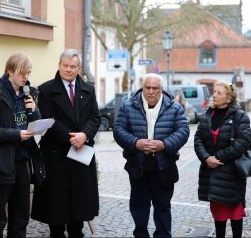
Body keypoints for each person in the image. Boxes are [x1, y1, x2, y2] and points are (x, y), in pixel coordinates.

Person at [31, 49, 101, 238]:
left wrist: (84, 135)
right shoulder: (45, 90)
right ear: (59, 65)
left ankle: (77, 232)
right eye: (65, 66)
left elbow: (95, 117)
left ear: (78, 68)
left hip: (81, 152)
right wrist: (72, 138)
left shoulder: (88, 89)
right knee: (56, 209)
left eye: (72, 66)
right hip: (56, 154)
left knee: (79, 207)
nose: (68, 70)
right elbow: (48, 120)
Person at [113, 73, 190, 238]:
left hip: (164, 167)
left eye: (155, 88)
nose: (151, 92)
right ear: (143, 88)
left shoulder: (175, 108)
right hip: (138, 166)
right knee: (139, 208)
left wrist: (164, 144)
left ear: (161, 89)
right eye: (147, 88)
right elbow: (118, 130)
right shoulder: (128, 106)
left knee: (162, 208)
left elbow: (183, 131)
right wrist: (135, 143)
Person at [0, 53, 40, 238]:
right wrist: (17, 135)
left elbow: (36, 125)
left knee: (21, 215)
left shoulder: (29, 94)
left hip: (23, 162)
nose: (26, 77)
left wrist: (34, 111)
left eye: (28, 73)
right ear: (10, 71)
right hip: (3, 163)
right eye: (22, 73)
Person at [194, 82, 250, 238]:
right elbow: (198, 139)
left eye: (219, 92)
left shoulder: (240, 116)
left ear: (228, 97)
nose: (215, 95)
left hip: (231, 173)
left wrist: (217, 157)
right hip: (211, 174)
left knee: (235, 215)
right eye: (214, 92)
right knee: (218, 216)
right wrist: (206, 158)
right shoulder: (207, 115)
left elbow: (243, 142)